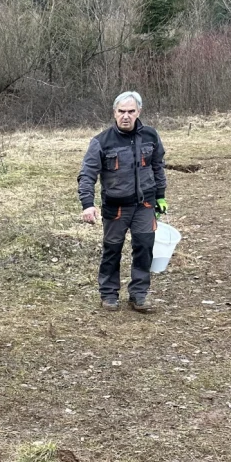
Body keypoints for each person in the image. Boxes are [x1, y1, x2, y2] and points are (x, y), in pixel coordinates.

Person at [77, 91, 168, 312]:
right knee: (112, 250)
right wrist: (87, 204)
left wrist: (160, 196)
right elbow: (87, 175)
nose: (125, 116)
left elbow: (158, 167)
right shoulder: (101, 141)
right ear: (114, 112)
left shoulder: (151, 136)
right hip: (115, 208)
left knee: (144, 248)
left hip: (144, 205)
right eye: (121, 111)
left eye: (130, 111)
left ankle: (139, 295)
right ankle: (108, 294)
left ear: (139, 112)